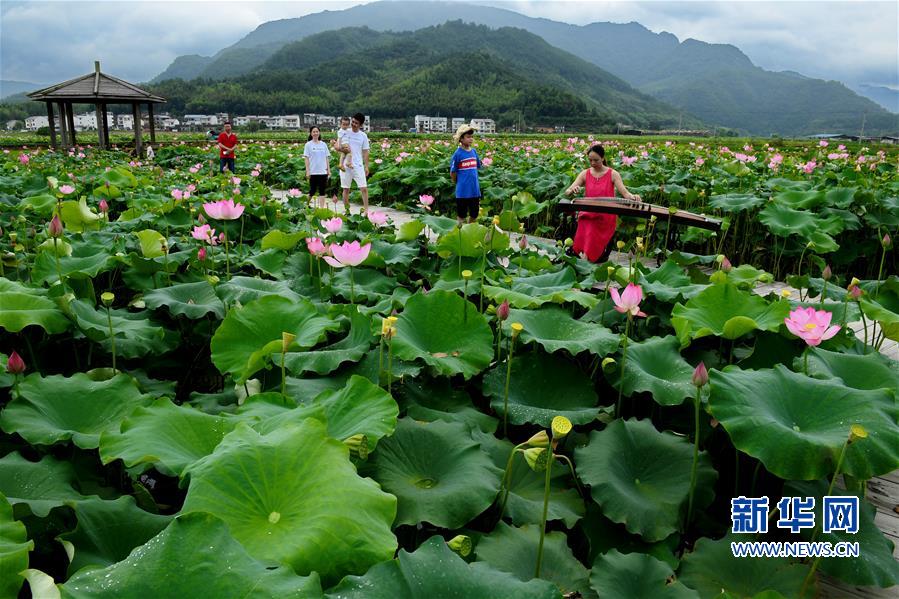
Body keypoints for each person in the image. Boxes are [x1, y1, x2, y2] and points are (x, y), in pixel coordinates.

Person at [564, 144, 641, 262]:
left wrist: (634, 197)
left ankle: (585, 258)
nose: (593, 163)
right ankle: (584, 256)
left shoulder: (613, 174)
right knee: (586, 222)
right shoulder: (585, 173)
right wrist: (572, 190)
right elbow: (568, 191)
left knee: (592, 227)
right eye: (590, 160)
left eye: (596, 160)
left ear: (603, 158)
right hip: (588, 213)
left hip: (605, 215)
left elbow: (626, 194)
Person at [450, 123, 482, 224]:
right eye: (468, 137)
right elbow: (453, 172)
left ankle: (469, 232)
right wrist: (457, 182)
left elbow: (478, 165)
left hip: (474, 190)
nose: (471, 139)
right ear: (461, 139)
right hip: (462, 191)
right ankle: (460, 234)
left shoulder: (474, 152)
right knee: (461, 215)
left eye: (472, 137)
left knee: (474, 214)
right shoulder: (457, 154)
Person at [339, 113, 371, 213]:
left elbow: (365, 152)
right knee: (346, 189)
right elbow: (337, 146)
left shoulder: (363, 136)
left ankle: (366, 211)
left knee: (364, 188)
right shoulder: (345, 132)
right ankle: (347, 210)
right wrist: (342, 149)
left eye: (356, 123)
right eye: (352, 122)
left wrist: (366, 166)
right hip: (346, 165)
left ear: (360, 125)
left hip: (358, 165)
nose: (353, 124)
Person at [303, 126, 331, 208]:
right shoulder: (308, 145)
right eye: (313, 132)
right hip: (313, 171)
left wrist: (328, 170)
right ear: (311, 133)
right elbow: (306, 159)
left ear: (319, 133)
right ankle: (306, 205)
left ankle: (321, 208)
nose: (315, 133)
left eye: (317, 131)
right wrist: (308, 171)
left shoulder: (323, 144)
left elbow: (326, 158)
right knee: (312, 191)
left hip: (323, 171)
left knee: (322, 191)